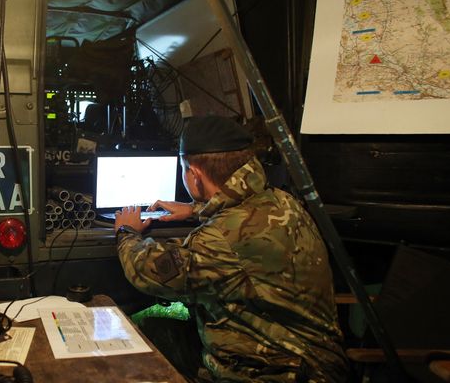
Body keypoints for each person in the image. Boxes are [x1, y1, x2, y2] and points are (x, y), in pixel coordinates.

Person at [114, 115, 347, 382]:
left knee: (140, 334)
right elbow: (244, 222)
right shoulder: (283, 201)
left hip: (272, 371)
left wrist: (126, 231)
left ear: (195, 176)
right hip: (312, 358)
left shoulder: (220, 238)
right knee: (158, 327)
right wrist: (195, 209)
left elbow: (149, 273)